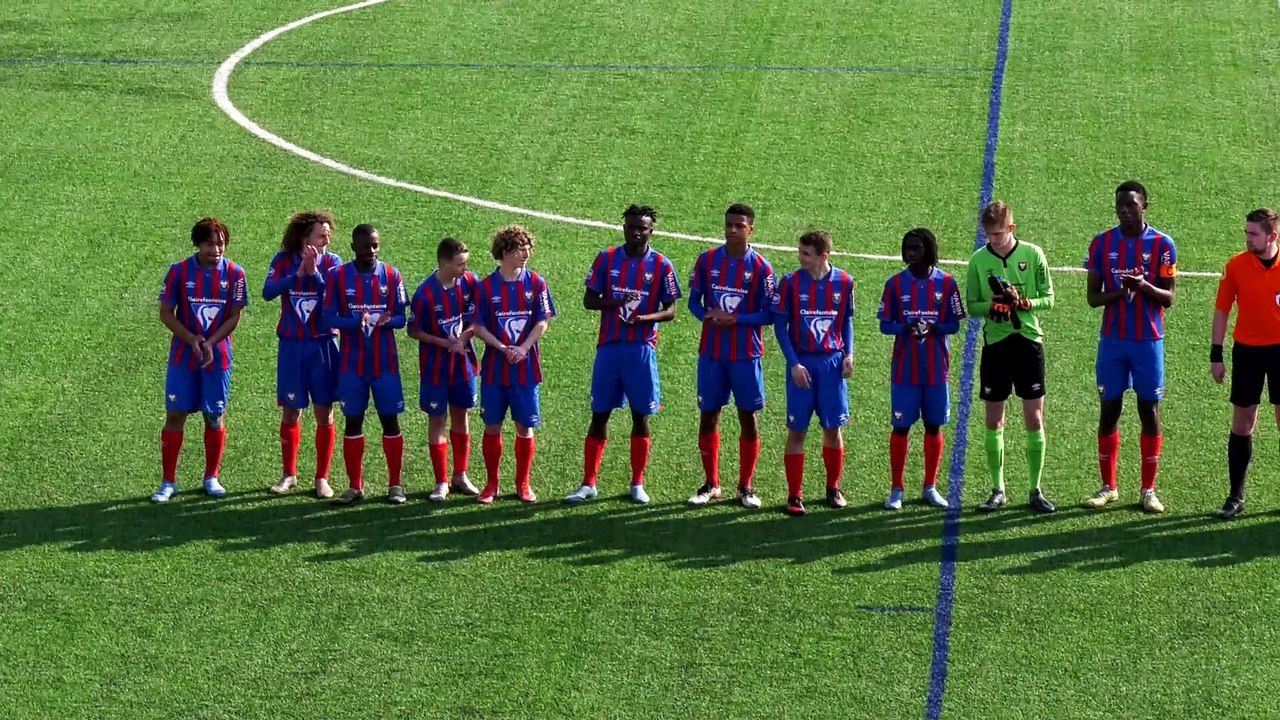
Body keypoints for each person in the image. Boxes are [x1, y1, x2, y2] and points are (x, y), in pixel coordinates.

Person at [566, 205, 682, 506]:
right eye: (631, 226)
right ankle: (589, 482)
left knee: (640, 416)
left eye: (641, 228)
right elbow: (589, 300)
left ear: (651, 230)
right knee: (599, 414)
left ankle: (637, 482)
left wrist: (643, 319)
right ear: (624, 228)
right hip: (609, 348)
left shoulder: (661, 265)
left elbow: (671, 310)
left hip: (641, 350)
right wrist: (617, 303)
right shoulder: (606, 259)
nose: (635, 232)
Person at [1082, 181, 1177, 513]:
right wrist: (1122, 293)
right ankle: (1108, 486)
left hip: (1148, 342)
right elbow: (1093, 298)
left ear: (1144, 206)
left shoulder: (1163, 245)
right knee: (1109, 410)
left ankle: (1148, 490)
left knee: (1148, 411)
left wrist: (1144, 286)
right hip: (1113, 342)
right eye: (1120, 205)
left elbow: (1169, 297)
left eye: (1131, 205)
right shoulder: (1102, 243)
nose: (1124, 210)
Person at [966, 201, 1057, 514]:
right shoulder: (978, 261)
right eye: (989, 235)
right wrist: (993, 306)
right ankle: (997, 489)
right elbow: (972, 304)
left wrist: (1025, 304)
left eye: (999, 234)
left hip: (1028, 343)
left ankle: (1035, 489)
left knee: (1034, 418)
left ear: (1012, 229)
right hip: (996, 345)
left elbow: (1049, 298)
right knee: (994, 420)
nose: (994, 240)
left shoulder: (1033, 255)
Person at [685, 204, 775, 509]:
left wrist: (735, 320)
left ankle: (746, 487)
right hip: (712, 353)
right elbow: (693, 302)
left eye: (739, 225)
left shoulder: (761, 268)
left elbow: (769, 315)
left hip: (746, 355)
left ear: (751, 229)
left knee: (747, 416)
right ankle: (711, 483)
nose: (732, 230)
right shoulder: (707, 260)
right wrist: (708, 316)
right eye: (729, 225)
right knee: (708, 414)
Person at [152, 218, 248, 503]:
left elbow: (234, 316)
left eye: (220, 243)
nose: (216, 249)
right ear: (197, 244)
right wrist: (192, 339)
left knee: (214, 415)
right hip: (184, 357)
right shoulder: (179, 272)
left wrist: (211, 341)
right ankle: (168, 481)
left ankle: (211, 476)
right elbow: (166, 312)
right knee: (176, 414)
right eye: (209, 243)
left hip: (217, 358)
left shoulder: (235, 273)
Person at [877, 228, 964, 510]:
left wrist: (934, 327)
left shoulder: (947, 283)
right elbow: (884, 324)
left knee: (933, 426)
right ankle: (896, 489)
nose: (909, 252)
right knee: (900, 427)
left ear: (928, 249)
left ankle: (930, 486)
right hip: (904, 371)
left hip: (936, 371)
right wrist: (906, 327)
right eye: (906, 247)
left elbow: (955, 323)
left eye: (915, 247)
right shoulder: (894, 285)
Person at [322, 224, 409, 506]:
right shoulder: (337, 277)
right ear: (353, 248)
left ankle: (395, 485)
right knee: (353, 422)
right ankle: (354, 486)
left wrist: (387, 320)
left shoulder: (393, 275)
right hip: (352, 365)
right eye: (365, 246)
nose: (371, 251)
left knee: (390, 422)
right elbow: (328, 317)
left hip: (385, 365)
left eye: (375, 245)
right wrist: (352, 323)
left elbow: (401, 317)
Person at [471, 225, 557, 504]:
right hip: (496, 369)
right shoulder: (485, 287)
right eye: (521, 249)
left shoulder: (537, 284)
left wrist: (523, 348)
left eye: (528, 248)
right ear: (505, 252)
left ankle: (523, 484)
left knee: (525, 426)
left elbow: (542, 322)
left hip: (525, 368)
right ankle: (491, 484)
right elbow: (478, 325)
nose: (527, 253)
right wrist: (501, 347)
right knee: (492, 425)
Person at [772, 229, 855, 516]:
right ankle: (794, 495)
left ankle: (833, 487)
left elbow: (846, 322)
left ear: (823, 256)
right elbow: (779, 327)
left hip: (831, 365)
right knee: (797, 430)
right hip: (802, 364)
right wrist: (794, 363)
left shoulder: (844, 282)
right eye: (800, 252)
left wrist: (849, 354)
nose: (800, 258)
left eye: (806, 254)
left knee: (833, 428)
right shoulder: (790, 283)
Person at [264, 211, 343, 499]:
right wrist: (296, 276)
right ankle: (289, 474)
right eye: (321, 234)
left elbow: (336, 297)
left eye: (327, 234)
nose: (327, 238)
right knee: (291, 410)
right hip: (292, 347)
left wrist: (315, 274)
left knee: (325, 411)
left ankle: (322, 477)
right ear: (304, 237)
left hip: (322, 346)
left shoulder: (333, 263)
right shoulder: (283, 260)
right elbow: (268, 292)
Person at [1210, 208, 1280, 519]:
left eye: (1253, 233)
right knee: (1242, 423)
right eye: (1246, 232)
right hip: (1248, 352)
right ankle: (1236, 496)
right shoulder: (1236, 266)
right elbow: (1222, 309)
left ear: (1272, 236)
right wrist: (1216, 353)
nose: (1247, 238)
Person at [407, 237, 481, 502]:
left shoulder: (470, 283)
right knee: (437, 419)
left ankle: (460, 475)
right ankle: (441, 481)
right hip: (435, 368)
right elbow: (413, 330)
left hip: (463, 365)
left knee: (461, 416)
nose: (465, 268)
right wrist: (443, 342)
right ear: (443, 263)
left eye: (466, 263)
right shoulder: (425, 294)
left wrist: (465, 336)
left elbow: (477, 318)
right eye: (460, 264)